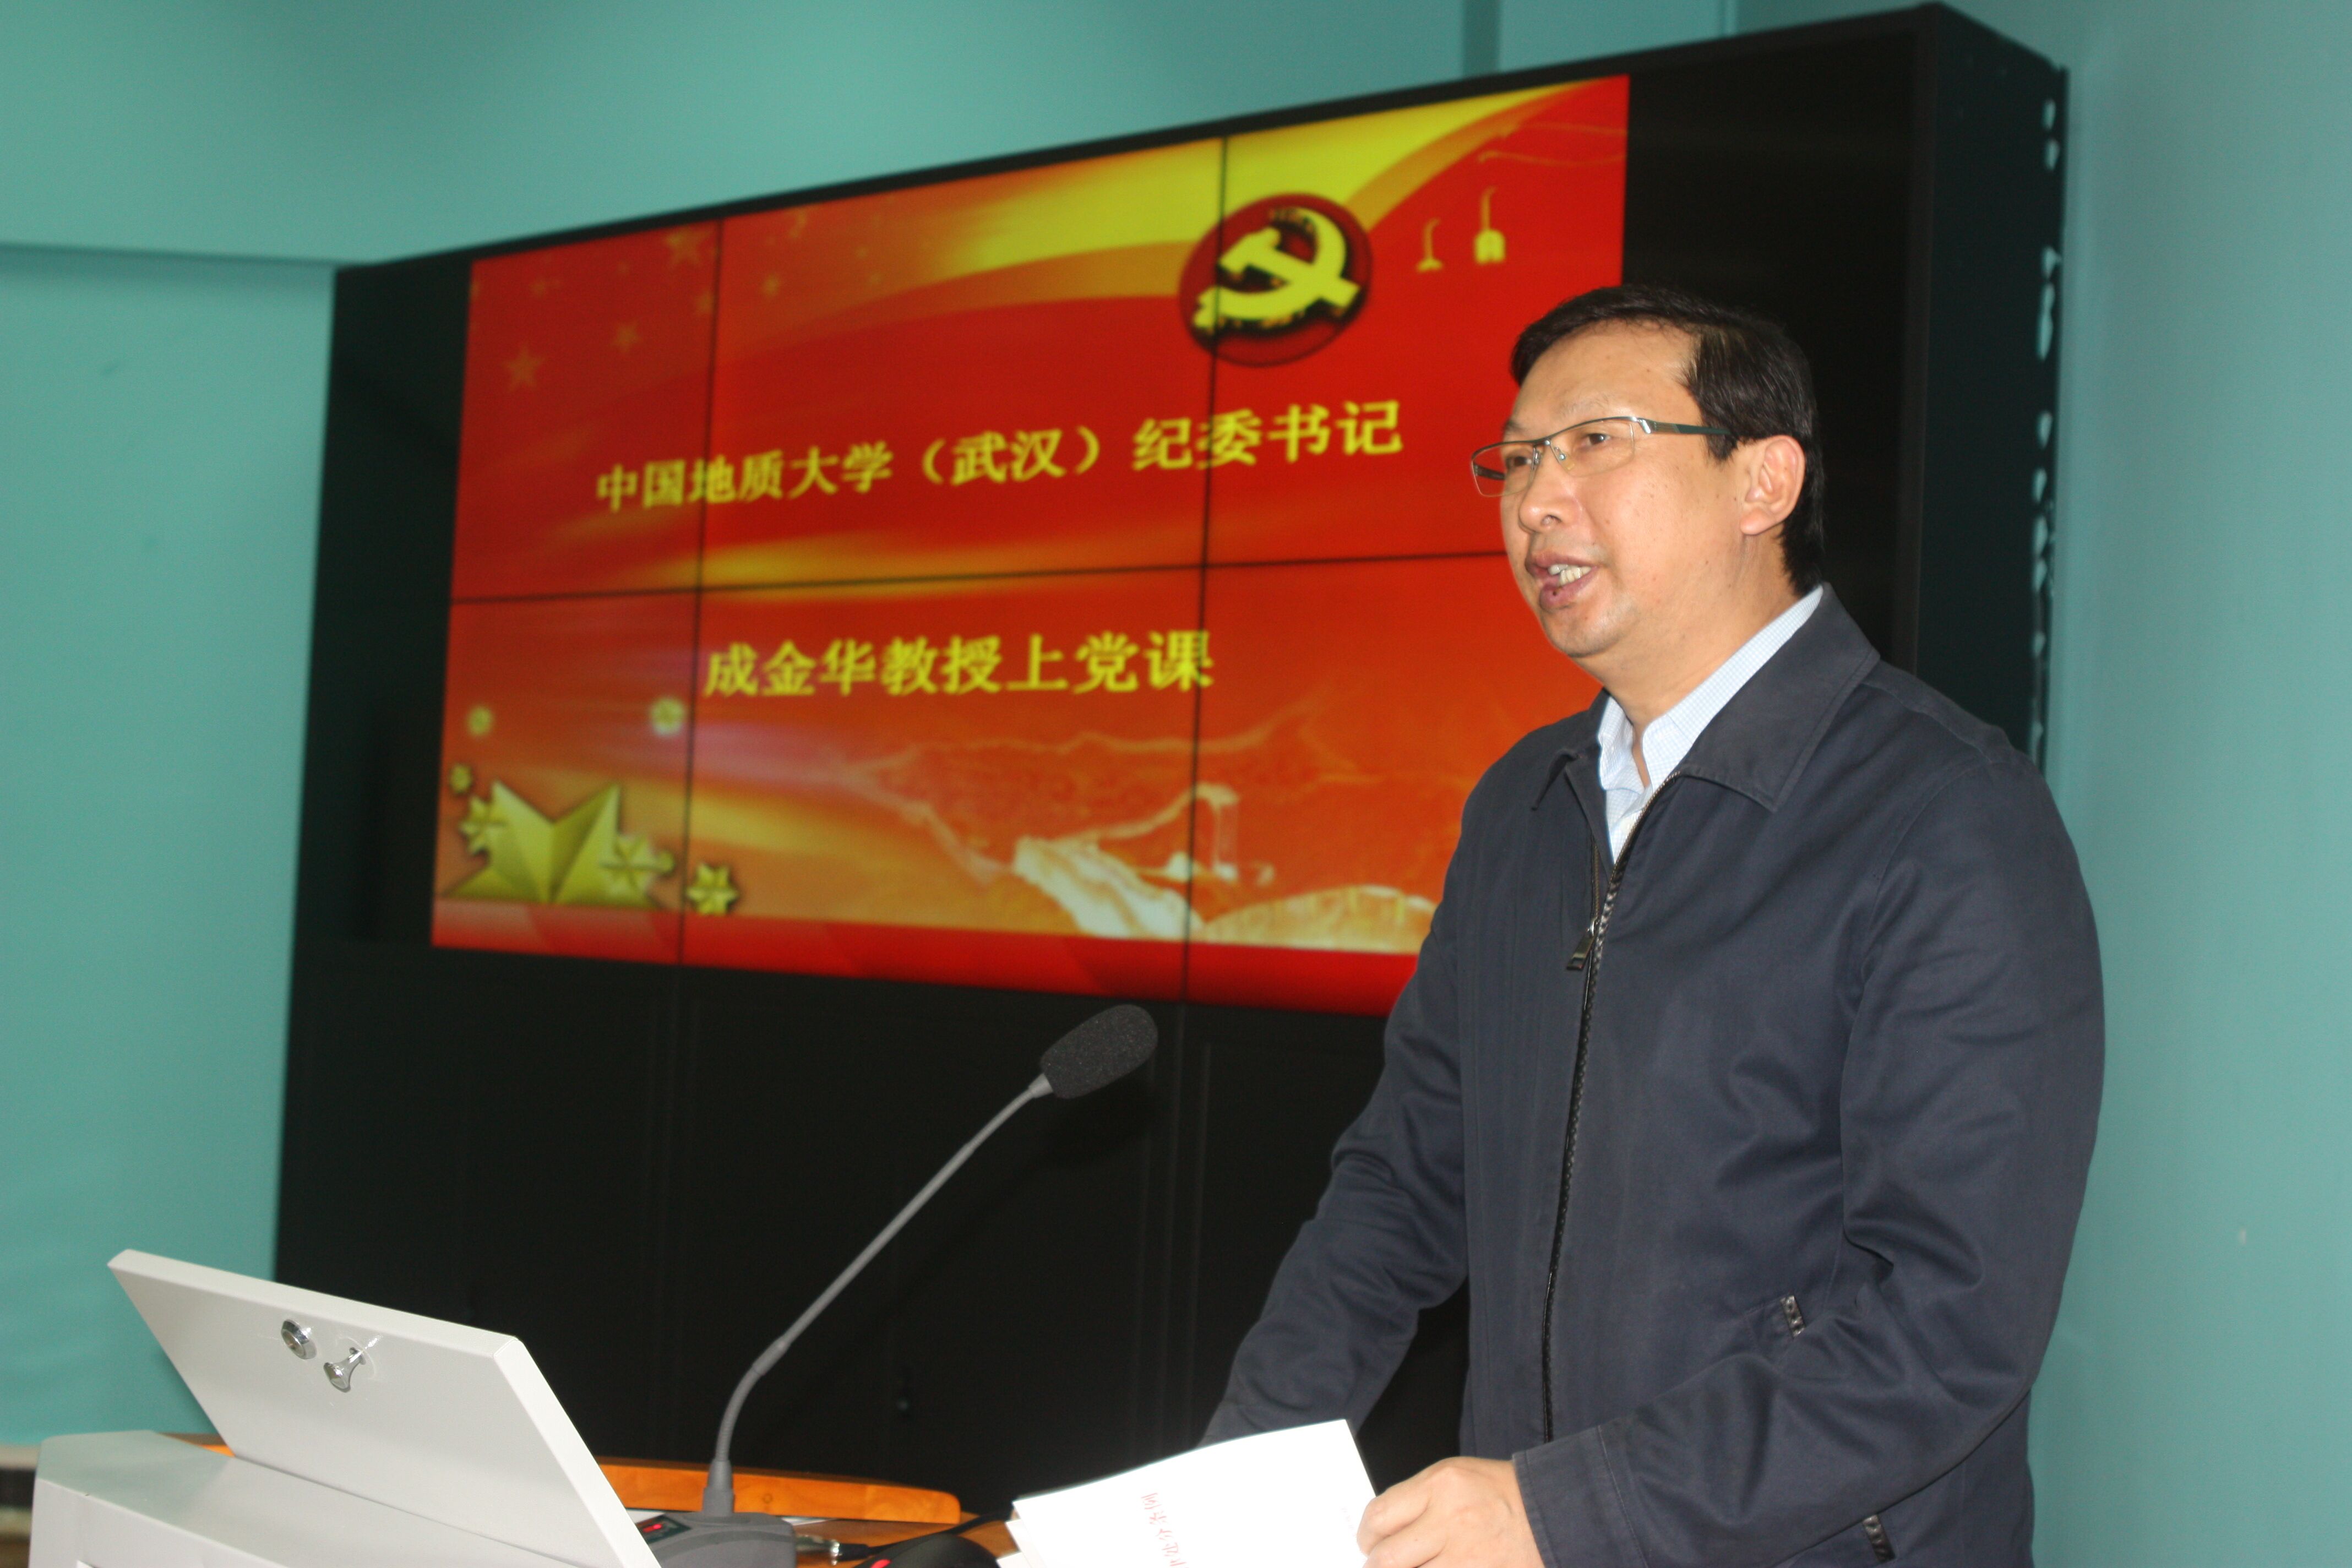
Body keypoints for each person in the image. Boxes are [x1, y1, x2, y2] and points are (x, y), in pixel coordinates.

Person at [1202, 285, 2103, 1567]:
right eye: (1518, 458)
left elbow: (1950, 1322)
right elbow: (1400, 1189)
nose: (1536, 499)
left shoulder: (1944, 811)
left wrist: (1567, 1507)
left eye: (1594, 442)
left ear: (1764, 482)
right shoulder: (1526, 801)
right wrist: (1229, 1482)